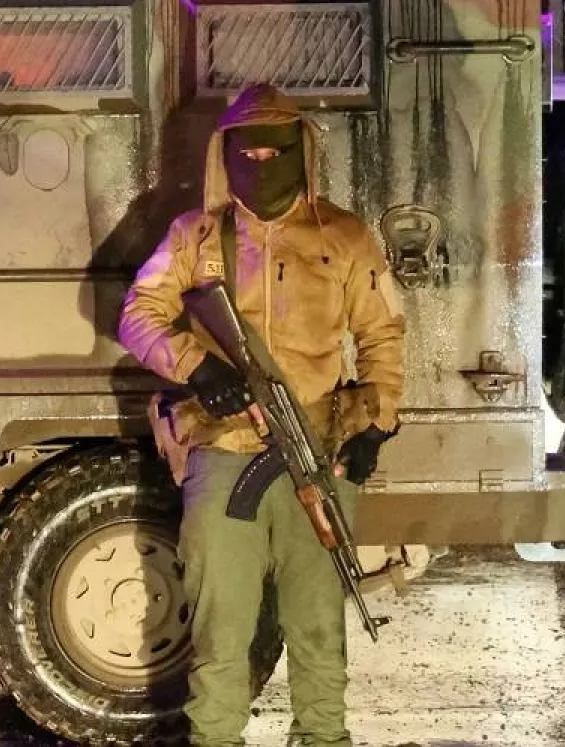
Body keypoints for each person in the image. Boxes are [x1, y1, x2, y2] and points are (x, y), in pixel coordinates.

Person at [119, 83, 406, 747]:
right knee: (221, 637)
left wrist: (378, 421)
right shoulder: (196, 235)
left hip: (319, 454)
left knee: (318, 634)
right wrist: (198, 364)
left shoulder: (345, 235)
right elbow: (140, 314)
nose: (261, 162)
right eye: (246, 151)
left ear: (302, 150)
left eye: (276, 150)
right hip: (224, 455)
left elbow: (383, 336)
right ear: (226, 155)